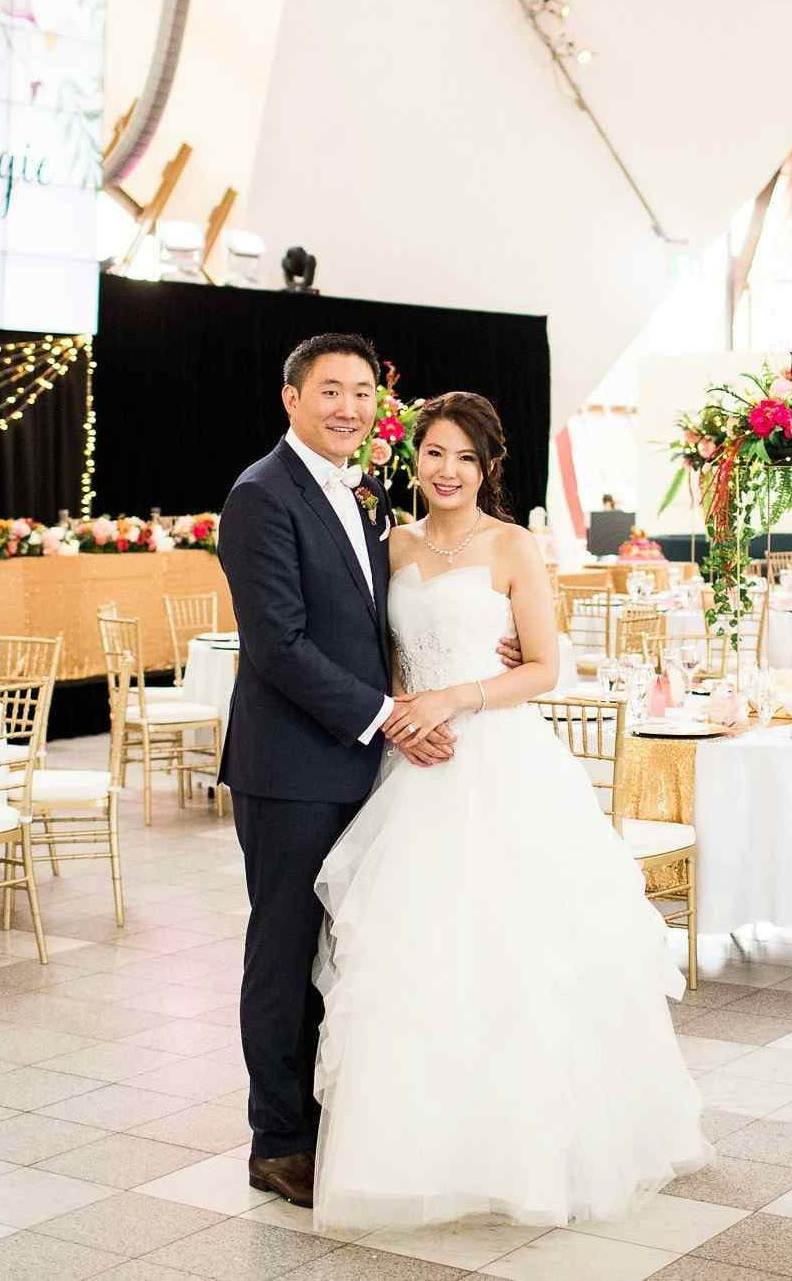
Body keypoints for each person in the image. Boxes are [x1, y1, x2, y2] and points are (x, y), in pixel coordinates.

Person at [311, 390, 709, 1230]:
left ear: (488, 466)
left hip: (498, 759)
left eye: (463, 456)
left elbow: (544, 668)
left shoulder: (514, 546)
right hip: (415, 763)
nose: (446, 471)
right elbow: (376, 656)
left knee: (517, 956)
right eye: (432, 454)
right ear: (411, 460)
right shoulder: (390, 546)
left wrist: (458, 694)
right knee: (416, 963)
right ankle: (424, 1154)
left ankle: (532, 1156)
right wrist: (401, 710)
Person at [216, 334, 519, 1209]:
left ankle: (329, 1121)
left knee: (342, 951)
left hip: (361, 764)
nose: (348, 406)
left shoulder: (365, 498)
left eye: (360, 392)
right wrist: (390, 714)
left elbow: (374, 624)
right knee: (280, 951)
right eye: (329, 390)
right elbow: (278, 644)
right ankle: (277, 1141)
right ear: (291, 399)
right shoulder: (260, 494)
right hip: (291, 767)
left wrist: (478, 640)